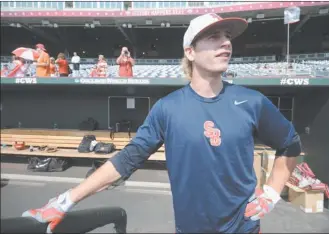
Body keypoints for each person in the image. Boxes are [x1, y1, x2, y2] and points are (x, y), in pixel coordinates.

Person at [22, 13, 301, 234]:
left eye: (227, 36)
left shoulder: (251, 101)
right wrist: (65, 201)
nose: (226, 42)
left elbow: (290, 144)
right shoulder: (167, 109)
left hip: (245, 228)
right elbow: (126, 160)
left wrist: (272, 193)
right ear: (190, 52)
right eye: (214, 36)